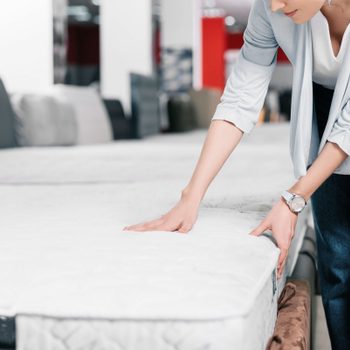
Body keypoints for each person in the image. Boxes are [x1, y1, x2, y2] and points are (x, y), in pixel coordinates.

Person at [124, 0, 350, 348]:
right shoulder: (270, 9)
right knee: (337, 263)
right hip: (325, 102)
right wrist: (191, 196)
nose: (275, 4)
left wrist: (292, 199)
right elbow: (240, 97)